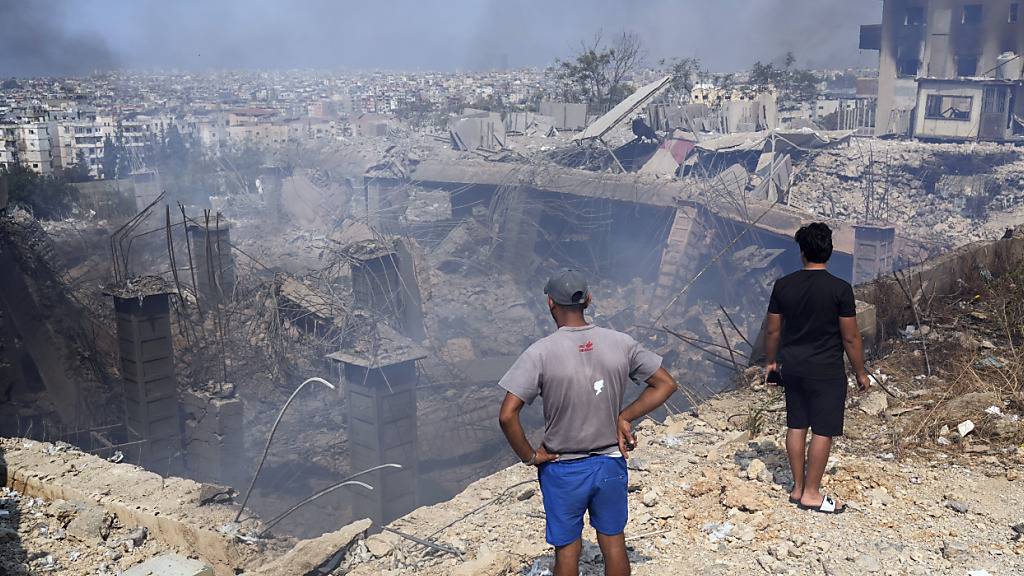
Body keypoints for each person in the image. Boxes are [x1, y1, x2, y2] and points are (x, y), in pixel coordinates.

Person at [498, 269, 678, 576]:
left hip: (563, 469)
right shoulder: (621, 343)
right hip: (609, 463)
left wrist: (530, 456)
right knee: (613, 543)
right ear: (588, 300)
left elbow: (507, 414)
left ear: (550, 303)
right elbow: (665, 384)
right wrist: (625, 416)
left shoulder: (539, 353)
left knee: (568, 552)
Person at [764, 222, 871, 514]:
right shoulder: (840, 289)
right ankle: (812, 493)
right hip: (826, 370)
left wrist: (771, 361)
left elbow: (773, 331)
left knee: (796, 424)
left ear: (802, 252)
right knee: (823, 430)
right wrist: (861, 372)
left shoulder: (783, 286)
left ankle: (797, 487)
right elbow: (850, 336)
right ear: (830, 252)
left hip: (794, 368)